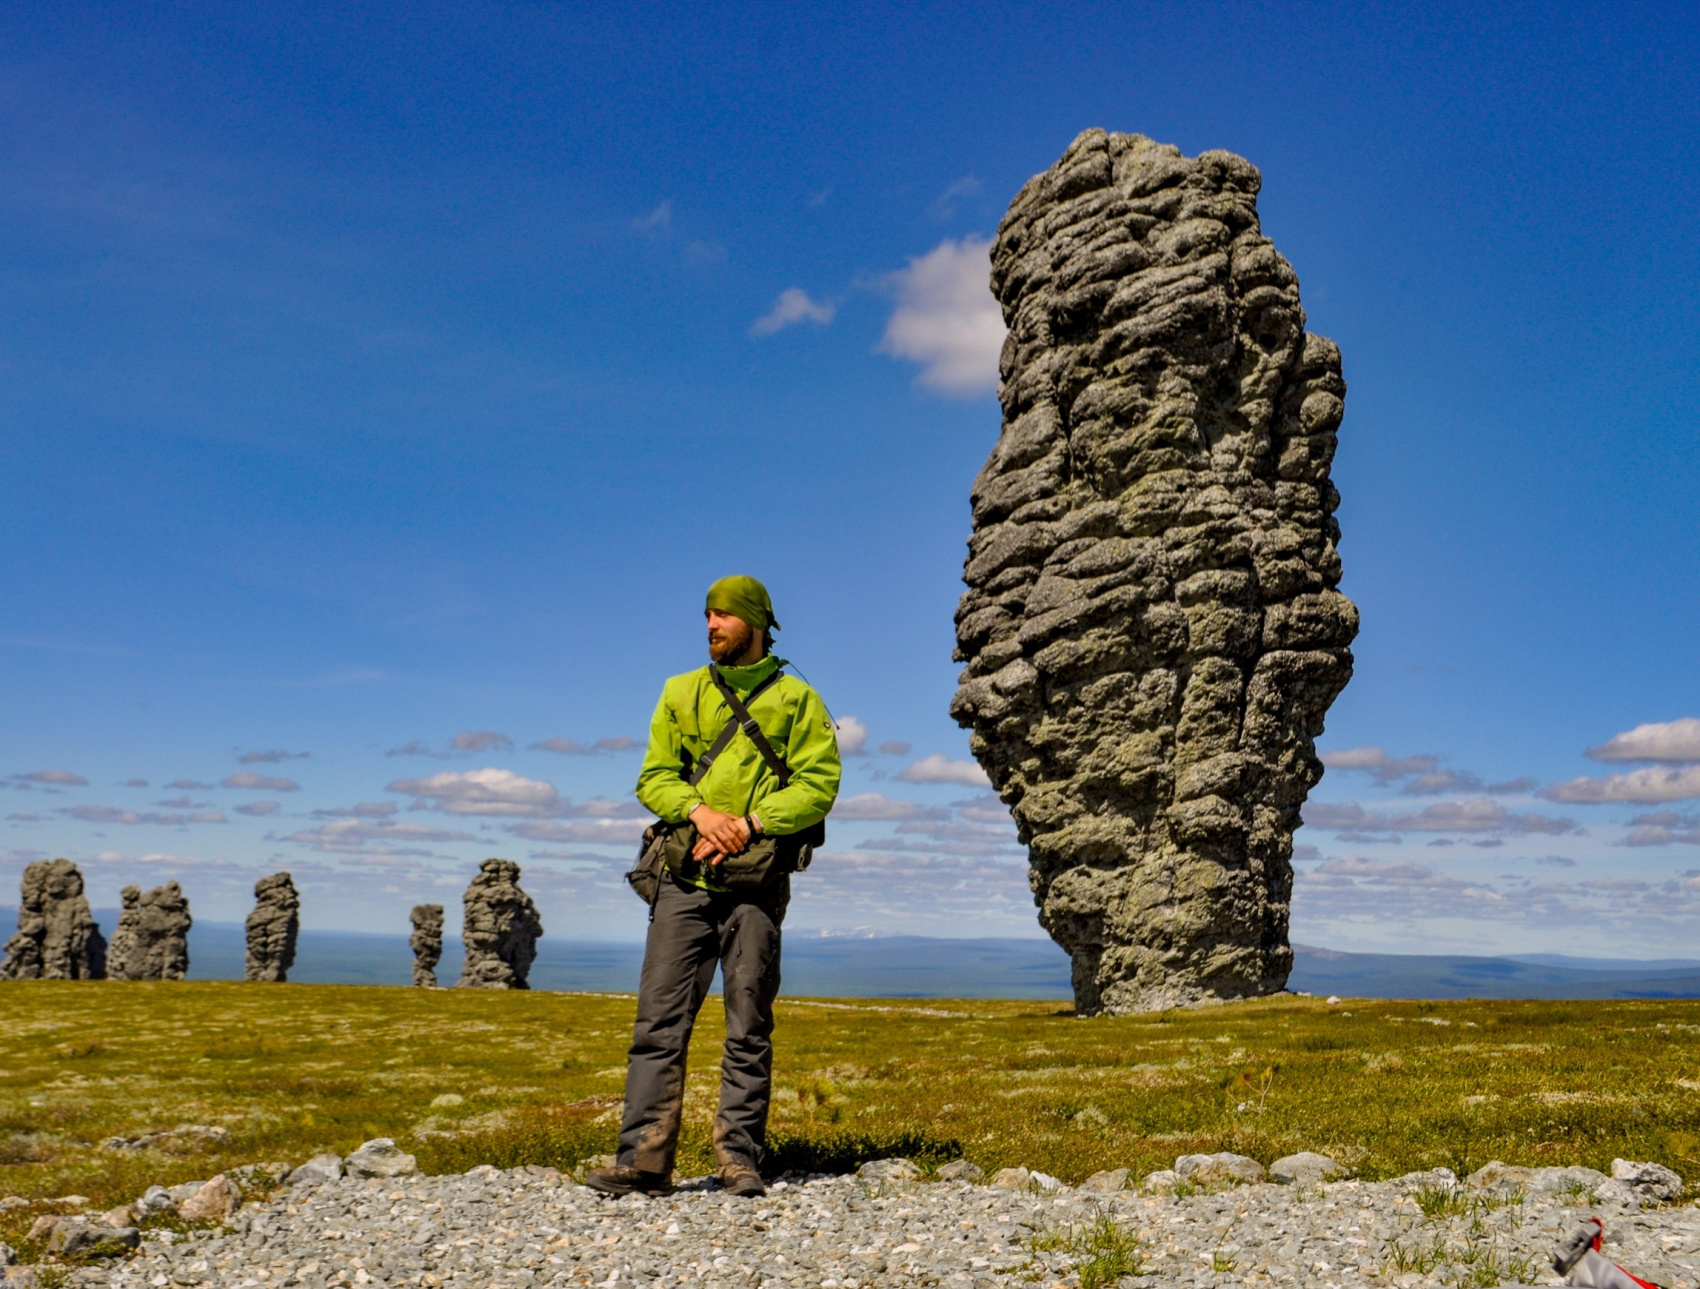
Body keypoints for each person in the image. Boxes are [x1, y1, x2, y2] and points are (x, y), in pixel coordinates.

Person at [586, 575, 841, 1198]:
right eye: (706, 616)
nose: (710, 627)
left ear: (753, 623)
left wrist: (751, 824)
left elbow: (819, 784)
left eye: (723, 616)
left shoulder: (798, 700)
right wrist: (703, 816)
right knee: (658, 1024)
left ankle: (739, 1161)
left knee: (748, 1024)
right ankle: (645, 1162)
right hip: (683, 880)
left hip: (756, 885)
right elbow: (653, 777)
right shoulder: (681, 692)